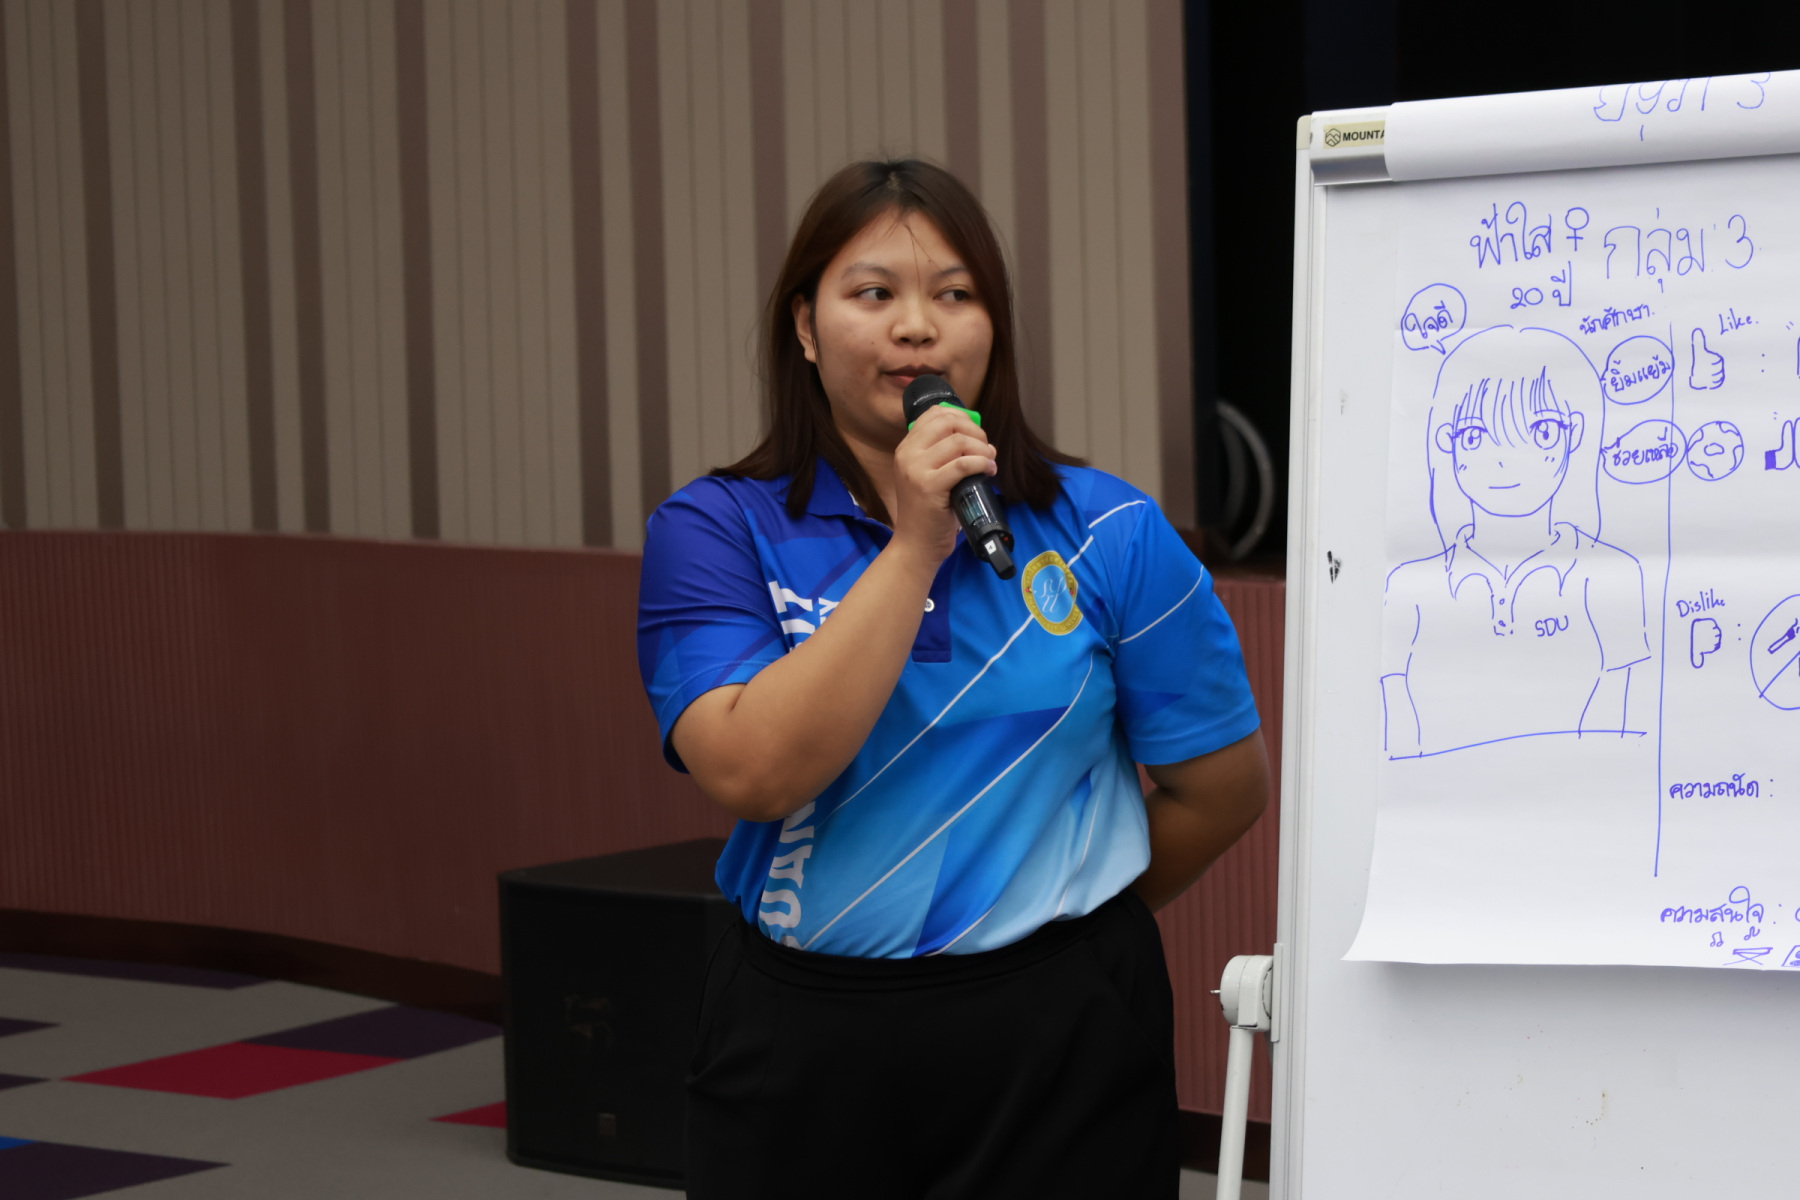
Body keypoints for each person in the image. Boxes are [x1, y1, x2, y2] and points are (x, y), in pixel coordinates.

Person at [636, 159, 1268, 1199]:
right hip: (803, 1037)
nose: (917, 328)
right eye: (872, 292)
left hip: (1065, 1039)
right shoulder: (714, 530)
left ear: (994, 327)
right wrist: (913, 547)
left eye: (955, 293)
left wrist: (1051, 918)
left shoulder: (1110, 530)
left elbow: (1223, 789)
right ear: (805, 326)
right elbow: (751, 772)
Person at [1382, 325, 1650, 757]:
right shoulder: (1406, 586)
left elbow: (1619, 716)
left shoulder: (1611, 575)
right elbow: (1395, 721)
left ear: (1574, 434)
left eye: (1540, 431)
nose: (1504, 458)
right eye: (1475, 436)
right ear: (1446, 443)